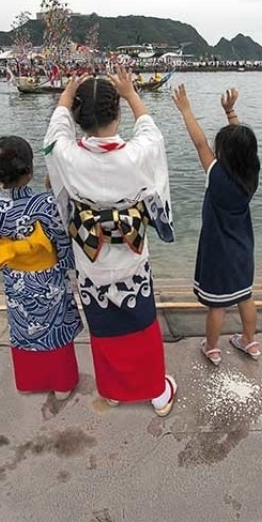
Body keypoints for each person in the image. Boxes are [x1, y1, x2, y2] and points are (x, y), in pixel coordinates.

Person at [44, 67, 177, 416]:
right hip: (131, 257)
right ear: (117, 115)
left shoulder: (67, 156)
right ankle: (157, 393)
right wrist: (131, 93)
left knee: (103, 330)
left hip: (91, 259)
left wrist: (67, 96)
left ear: (77, 118)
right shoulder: (136, 155)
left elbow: (54, 134)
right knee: (142, 327)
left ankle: (114, 391)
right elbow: (151, 133)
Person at [0, 136, 82, 398]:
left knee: (24, 328)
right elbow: (63, 241)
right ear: (30, 170)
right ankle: (62, 384)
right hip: (49, 279)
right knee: (55, 327)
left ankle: (30, 381)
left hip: (16, 278)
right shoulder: (46, 204)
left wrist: (2, 255)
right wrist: (71, 270)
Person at [172, 84, 261, 366]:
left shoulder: (217, 176)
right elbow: (242, 145)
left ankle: (212, 347)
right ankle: (250, 341)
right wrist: (230, 112)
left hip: (219, 253)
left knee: (218, 305)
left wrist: (186, 110)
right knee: (245, 297)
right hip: (243, 249)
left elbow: (200, 143)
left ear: (224, 153)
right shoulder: (251, 175)